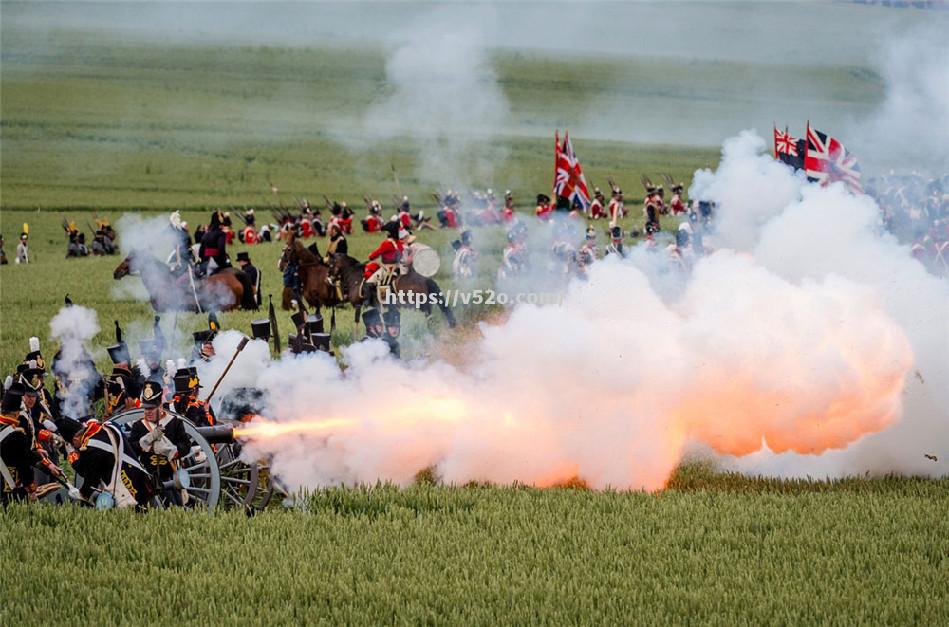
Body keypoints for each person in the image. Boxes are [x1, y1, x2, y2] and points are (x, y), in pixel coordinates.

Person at [56, 416, 153, 508]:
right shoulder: (109, 426)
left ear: (75, 439)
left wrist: (72, 456)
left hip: (126, 491)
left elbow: (89, 476)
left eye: (73, 444)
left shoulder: (92, 448)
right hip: (142, 480)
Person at [1, 383, 65, 504]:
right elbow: (23, 462)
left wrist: (42, 458)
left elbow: (26, 450)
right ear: (16, 413)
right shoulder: (16, 434)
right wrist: (31, 490)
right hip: (8, 484)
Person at [129, 379, 191, 505]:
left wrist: (171, 450)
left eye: (152, 408)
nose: (148, 412)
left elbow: (186, 446)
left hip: (169, 475)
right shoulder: (138, 426)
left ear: (160, 406)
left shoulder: (174, 422)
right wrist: (145, 447)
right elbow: (130, 447)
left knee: (175, 505)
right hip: (146, 477)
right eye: (146, 408)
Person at [363, 222, 403, 306]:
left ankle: (368, 304)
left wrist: (370, 256)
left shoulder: (386, 243)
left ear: (388, 233)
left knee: (368, 283)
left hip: (387, 269)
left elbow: (374, 255)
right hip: (398, 267)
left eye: (386, 232)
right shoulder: (399, 242)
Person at [197, 210, 229, 277]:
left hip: (205, 261)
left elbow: (201, 252)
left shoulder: (205, 235)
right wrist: (224, 260)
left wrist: (203, 261)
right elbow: (221, 249)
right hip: (217, 261)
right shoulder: (221, 234)